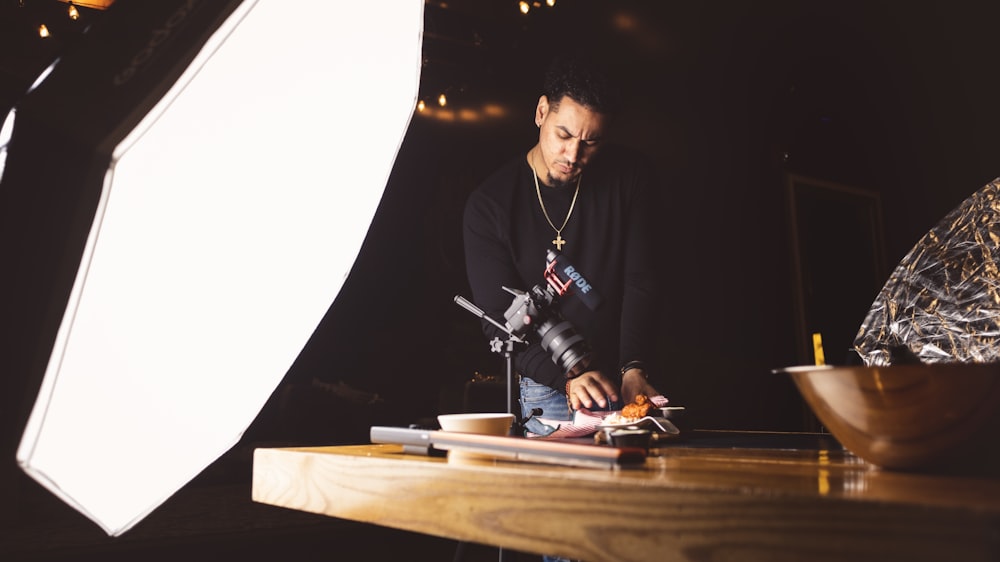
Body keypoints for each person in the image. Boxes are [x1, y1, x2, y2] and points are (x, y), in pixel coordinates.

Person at [462, 54, 663, 443]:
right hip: (549, 388)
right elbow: (496, 319)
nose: (574, 156)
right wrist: (565, 377)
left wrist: (634, 367)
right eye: (564, 135)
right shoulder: (490, 205)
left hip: (629, 377)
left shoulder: (631, 178)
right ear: (541, 112)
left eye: (591, 142)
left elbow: (641, 281)